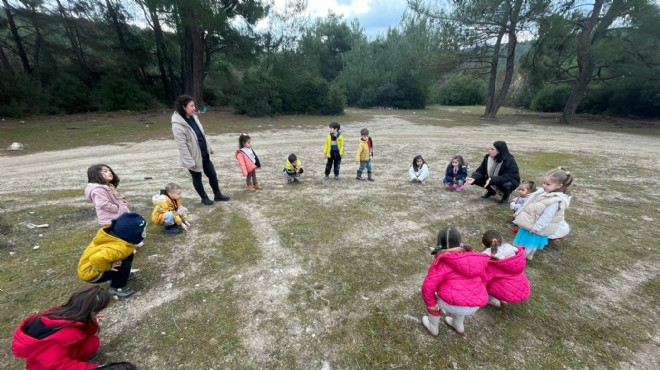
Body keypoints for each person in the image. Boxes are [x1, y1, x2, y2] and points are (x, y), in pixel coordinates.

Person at [11, 285, 136, 369]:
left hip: (50, 357)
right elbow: (57, 365)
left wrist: (91, 321)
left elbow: (88, 334)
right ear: (92, 311)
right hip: (44, 366)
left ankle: (78, 359)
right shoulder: (64, 333)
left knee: (92, 342)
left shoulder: (60, 313)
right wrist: (90, 368)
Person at [421, 227, 489, 336]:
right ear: (460, 242)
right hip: (476, 304)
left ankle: (433, 327)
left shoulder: (442, 263)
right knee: (462, 297)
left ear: (439, 244)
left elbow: (427, 288)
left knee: (432, 299)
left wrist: (431, 303)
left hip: (454, 304)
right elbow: (485, 279)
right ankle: (458, 325)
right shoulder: (475, 259)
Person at [171, 94, 230, 205]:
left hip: (204, 153)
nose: (194, 108)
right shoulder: (177, 125)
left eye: (194, 106)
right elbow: (181, 146)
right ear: (184, 107)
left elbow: (201, 135)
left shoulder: (194, 117)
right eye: (191, 106)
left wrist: (209, 148)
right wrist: (189, 161)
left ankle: (217, 195)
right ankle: (204, 198)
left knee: (212, 174)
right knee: (197, 177)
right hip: (193, 157)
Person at [77, 213, 147, 298]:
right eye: (142, 231)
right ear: (132, 235)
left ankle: (120, 275)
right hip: (91, 274)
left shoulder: (113, 235)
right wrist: (109, 267)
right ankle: (117, 288)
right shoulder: (119, 248)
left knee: (128, 256)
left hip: (90, 267)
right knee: (124, 266)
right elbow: (96, 258)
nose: (144, 232)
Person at [513, 168, 573, 260]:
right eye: (544, 183)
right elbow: (537, 195)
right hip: (533, 223)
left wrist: (537, 228)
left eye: (548, 184)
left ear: (559, 185)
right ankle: (529, 255)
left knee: (528, 243)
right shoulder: (546, 192)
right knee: (532, 243)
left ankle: (521, 258)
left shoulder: (554, 201)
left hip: (535, 227)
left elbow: (547, 217)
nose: (544, 186)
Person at [480, 230, 530, 308]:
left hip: (505, 290)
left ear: (483, 244)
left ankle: (493, 300)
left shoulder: (487, 258)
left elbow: (485, 278)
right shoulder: (511, 249)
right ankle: (503, 299)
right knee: (503, 278)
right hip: (521, 287)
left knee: (482, 280)